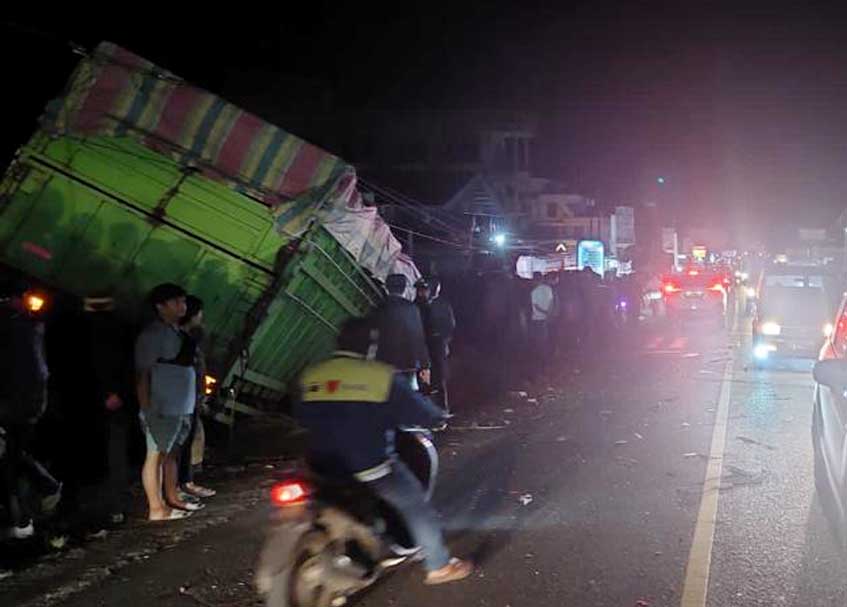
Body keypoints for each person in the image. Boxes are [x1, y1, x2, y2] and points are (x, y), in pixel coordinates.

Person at [294, 317, 473, 585]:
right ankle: (439, 565)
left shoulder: (311, 375)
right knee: (415, 506)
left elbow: (300, 415)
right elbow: (419, 412)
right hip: (367, 466)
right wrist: (439, 417)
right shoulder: (380, 377)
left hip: (319, 463)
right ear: (371, 346)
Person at [0, 279, 61, 539]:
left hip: (19, 406)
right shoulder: (22, 326)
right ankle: (24, 515)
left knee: (11, 460)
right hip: (20, 405)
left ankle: (21, 517)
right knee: (11, 459)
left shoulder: (22, 326)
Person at [135, 283, 201, 521]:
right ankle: (156, 508)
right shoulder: (153, 335)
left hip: (179, 406)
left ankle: (169, 501)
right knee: (155, 455)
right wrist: (147, 409)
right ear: (160, 306)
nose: (182, 306)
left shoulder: (175, 332)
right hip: (162, 406)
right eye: (176, 302)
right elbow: (143, 374)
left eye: (183, 301)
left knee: (167, 455)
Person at [78, 294, 134, 526]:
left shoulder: (86, 331)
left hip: (99, 404)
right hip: (109, 404)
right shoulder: (116, 332)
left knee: (106, 458)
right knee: (113, 458)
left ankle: (108, 508)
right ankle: (113, 508)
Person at [177, 296, 215, 500]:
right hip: (182, 401)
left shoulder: (189, 339)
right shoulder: (181, 339)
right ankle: (180, 486)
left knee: (190, 440)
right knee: (179, 446)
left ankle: (186, 482)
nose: (202, 317)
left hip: (191, 399)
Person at [372, 274, 430, 390]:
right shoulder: (412, 309)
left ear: (387, 287)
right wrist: (425, 365)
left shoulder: (379, 308)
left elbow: (372, 335)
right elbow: (418, 337)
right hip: (407, 363)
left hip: (383, 362)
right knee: (408, 398)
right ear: (404, 288)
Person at [421, 277, 455, 412]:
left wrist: (444, 340)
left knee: (439, 378)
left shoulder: (442, 304)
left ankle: (441, 408)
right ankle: (428, 408)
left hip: (438, 345)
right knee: (426, 377)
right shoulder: (421, 304)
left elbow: (450, 325)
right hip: (426, 345)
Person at [530, 272, 555, 364]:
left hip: (537, 319)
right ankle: (548, 359)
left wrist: (544, 313)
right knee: (546, 340)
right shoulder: (548, 289)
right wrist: (549, 314)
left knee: (539, 342)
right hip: (548, 318)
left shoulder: (533, 292)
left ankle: (541, 361)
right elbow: (552, 302)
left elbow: (536, 307)